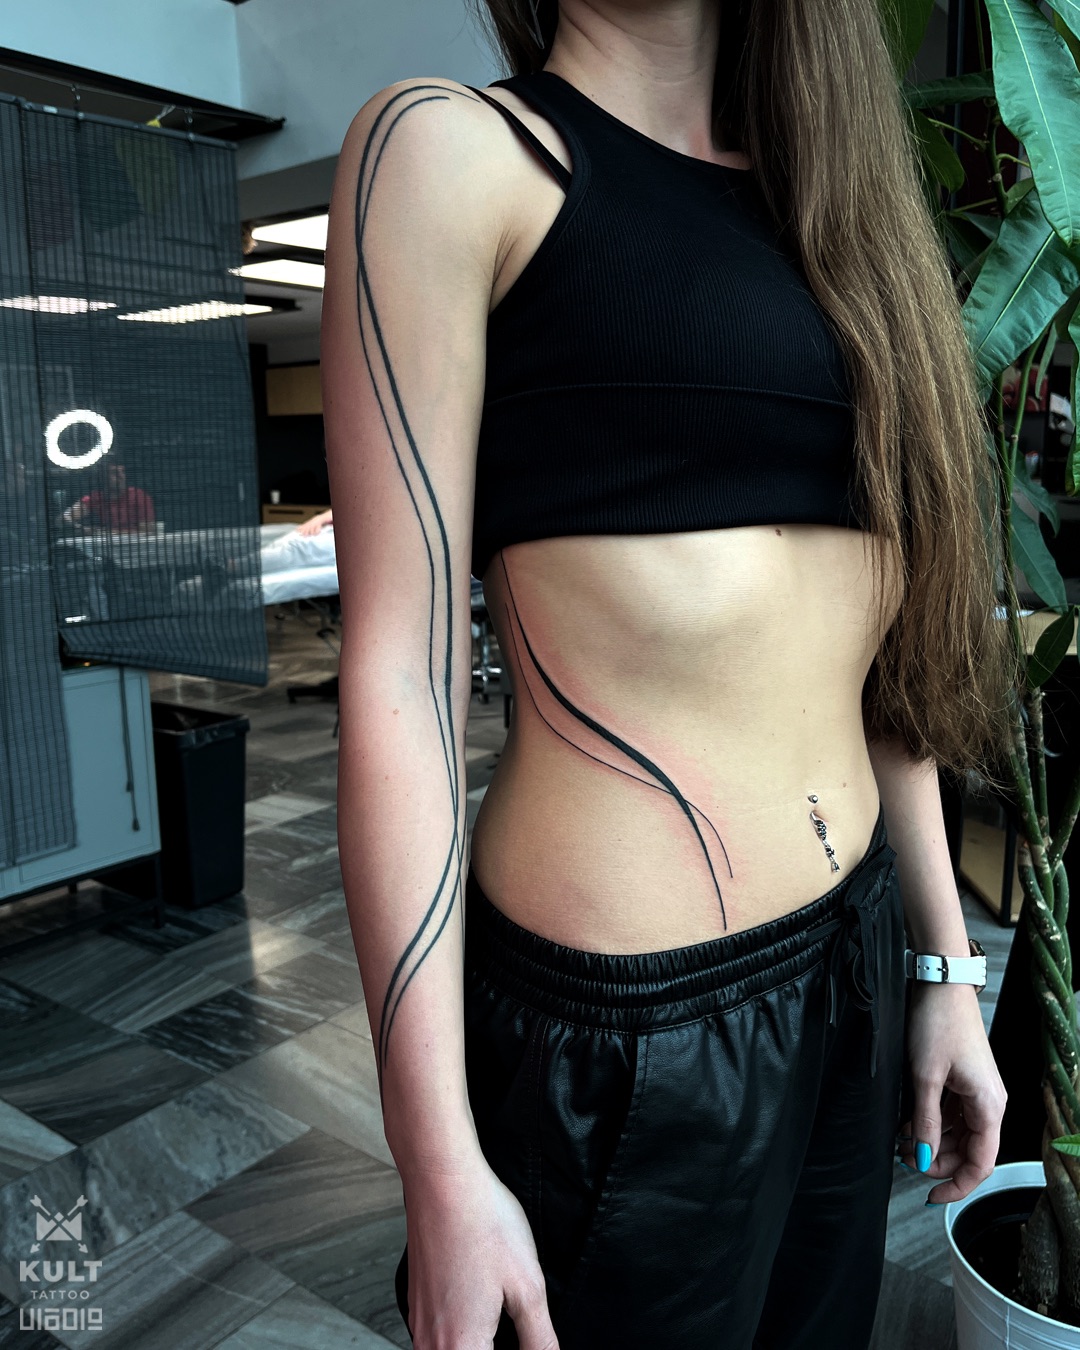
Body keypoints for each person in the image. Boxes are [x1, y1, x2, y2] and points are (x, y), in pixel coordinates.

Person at [321, 2, 1016, 1347]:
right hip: (633, 1036)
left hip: (854, 954)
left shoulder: (839, 217)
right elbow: (399, 675)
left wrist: (943, 964)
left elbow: (879, 662)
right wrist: (437, 1157)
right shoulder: (455, 154)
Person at [62, 458, 155, 534]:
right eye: (114, 472)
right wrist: (82, 529)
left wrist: (107, 533)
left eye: (123, 472)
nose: (121, 476)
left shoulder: (138, 496)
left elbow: (147, 530)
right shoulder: (95, 497)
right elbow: (64, 518)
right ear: (103, 477)